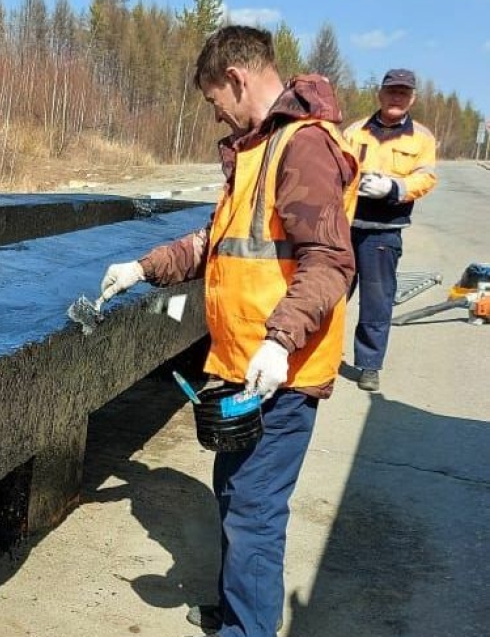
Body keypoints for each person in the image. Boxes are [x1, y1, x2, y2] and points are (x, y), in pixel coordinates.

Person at [97, 26, 359, 637]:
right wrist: (144, 267)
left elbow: (330, 261)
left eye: (216, 99)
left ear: (239, 79)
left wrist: (280, 339)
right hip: (240, 367)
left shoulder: (303, 148)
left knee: (254, 513)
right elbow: (214, 243)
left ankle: (248, 629)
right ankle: (238, 609)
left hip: (281, 373)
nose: (215, 111)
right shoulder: (257, 151)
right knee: (235, 494)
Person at [343, 69, 438, 391]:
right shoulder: (355, 132)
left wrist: (393, 187)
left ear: (411, 98)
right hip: (344, 227)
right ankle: (318, 356)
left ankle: (369, 364)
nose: (396, 97)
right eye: (391, 91)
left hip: (383, 231)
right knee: (328, 294)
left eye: (403, 93)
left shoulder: (421, 138)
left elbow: (425, 178)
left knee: (376, 300)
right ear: (380, 94)